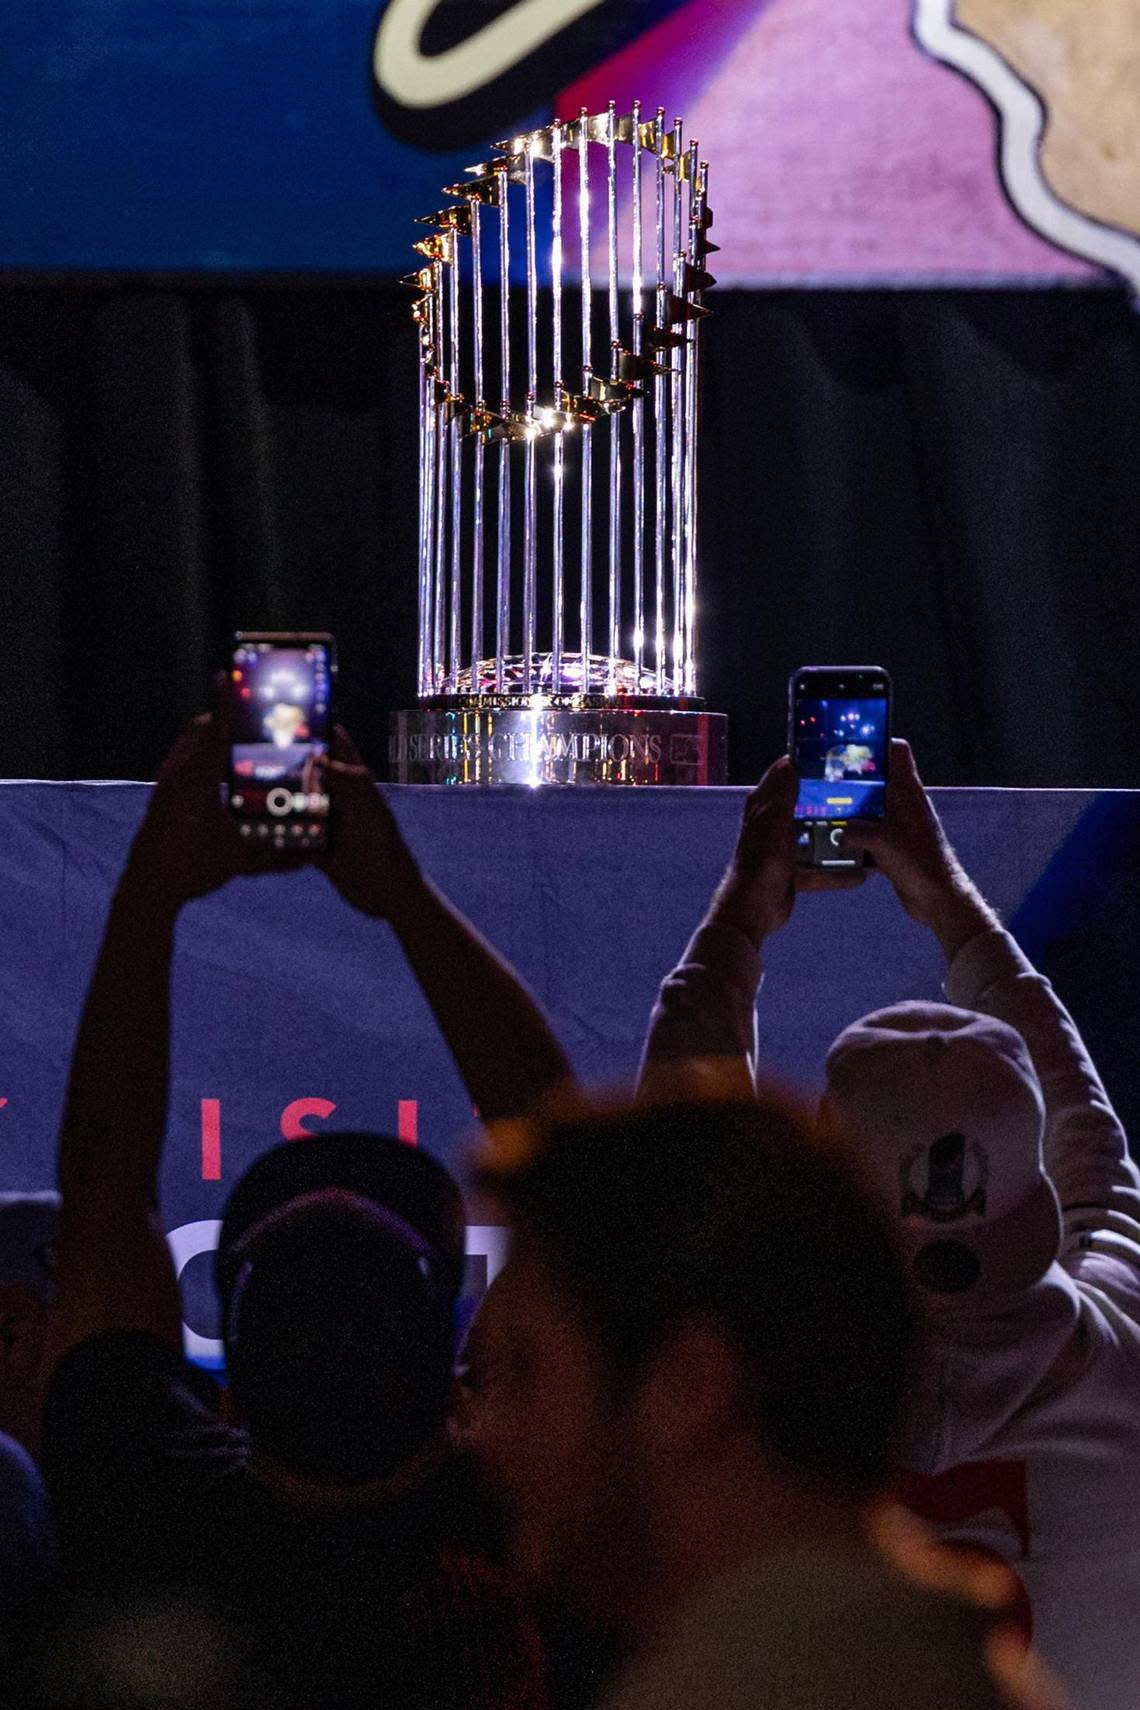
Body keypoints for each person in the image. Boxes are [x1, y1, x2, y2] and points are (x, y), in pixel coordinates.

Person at [27, 694, 573, 1709]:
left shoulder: (144, 1506)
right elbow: (589, 1197)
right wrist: (401, 895)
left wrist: (155, 880)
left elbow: (101, 1201)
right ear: (462, 1392)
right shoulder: (537, 1527)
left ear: (226, 1400)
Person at [640, 738, 1140, 1710]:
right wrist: (949, 901)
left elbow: (676, 1158)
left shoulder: (738, 1399)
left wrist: (745, 914)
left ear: (826, 1188)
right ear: (1029, 1190)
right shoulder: (1126, 1349)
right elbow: (1098, 1155)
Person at [470, 1093, 1062, 1710]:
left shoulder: (730, 1689)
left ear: (690, 1384)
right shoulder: (960, 1671)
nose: (485, 1430)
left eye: (525, 1369)